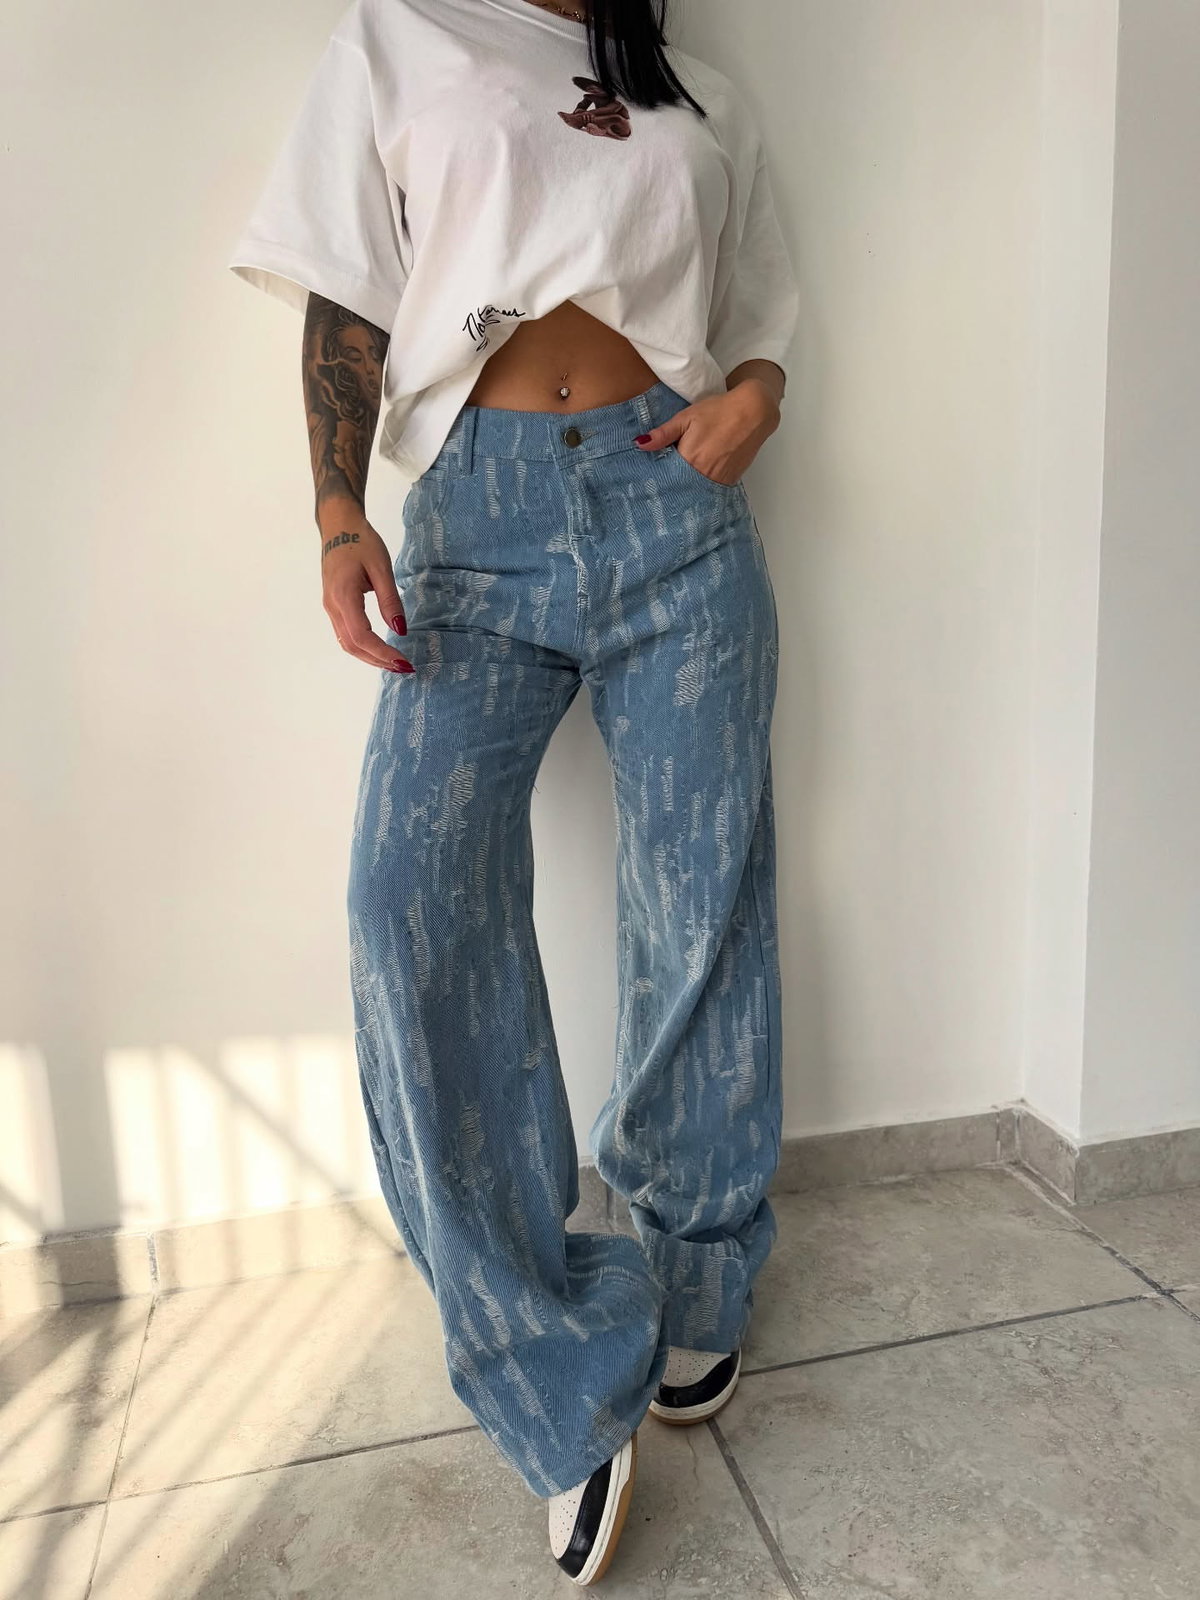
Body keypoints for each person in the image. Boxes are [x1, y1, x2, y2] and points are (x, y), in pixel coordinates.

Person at [229, 0, 798, 1583]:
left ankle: (698, 1268)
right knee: (408, 908)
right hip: (474, 524)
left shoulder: (696, 86)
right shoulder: (399, 34)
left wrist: (758, 393)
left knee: (701, 898)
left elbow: (758, 309)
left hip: (677, 507)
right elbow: (347, 290)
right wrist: (339, 511)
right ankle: (552, 1358)